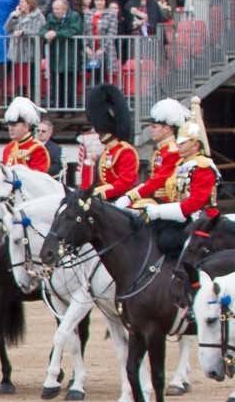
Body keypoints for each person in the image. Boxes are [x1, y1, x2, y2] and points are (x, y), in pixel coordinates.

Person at [132, 96, 218, 276]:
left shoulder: (202, 166)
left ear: (195, 144)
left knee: (168, 241)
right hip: (185, 217)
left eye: (183, 143)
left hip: (202, 219)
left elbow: (194, 204)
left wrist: (160, 211)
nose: (178, 146)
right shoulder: (183, 164)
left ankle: (180, 275)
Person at [78, 84, 138, 200]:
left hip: (121, 199)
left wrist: (99, 193)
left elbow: (125, 182)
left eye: (101, 133)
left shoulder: (125, 151)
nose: (98, 134)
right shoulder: (107, 152)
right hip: (105, 200)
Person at [1, 96, 49, 173]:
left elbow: (37, 180)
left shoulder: (37, 149)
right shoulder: (8, 148)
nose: (10, 128)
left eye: (14, 125)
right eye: (9, 125)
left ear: (26, 127)